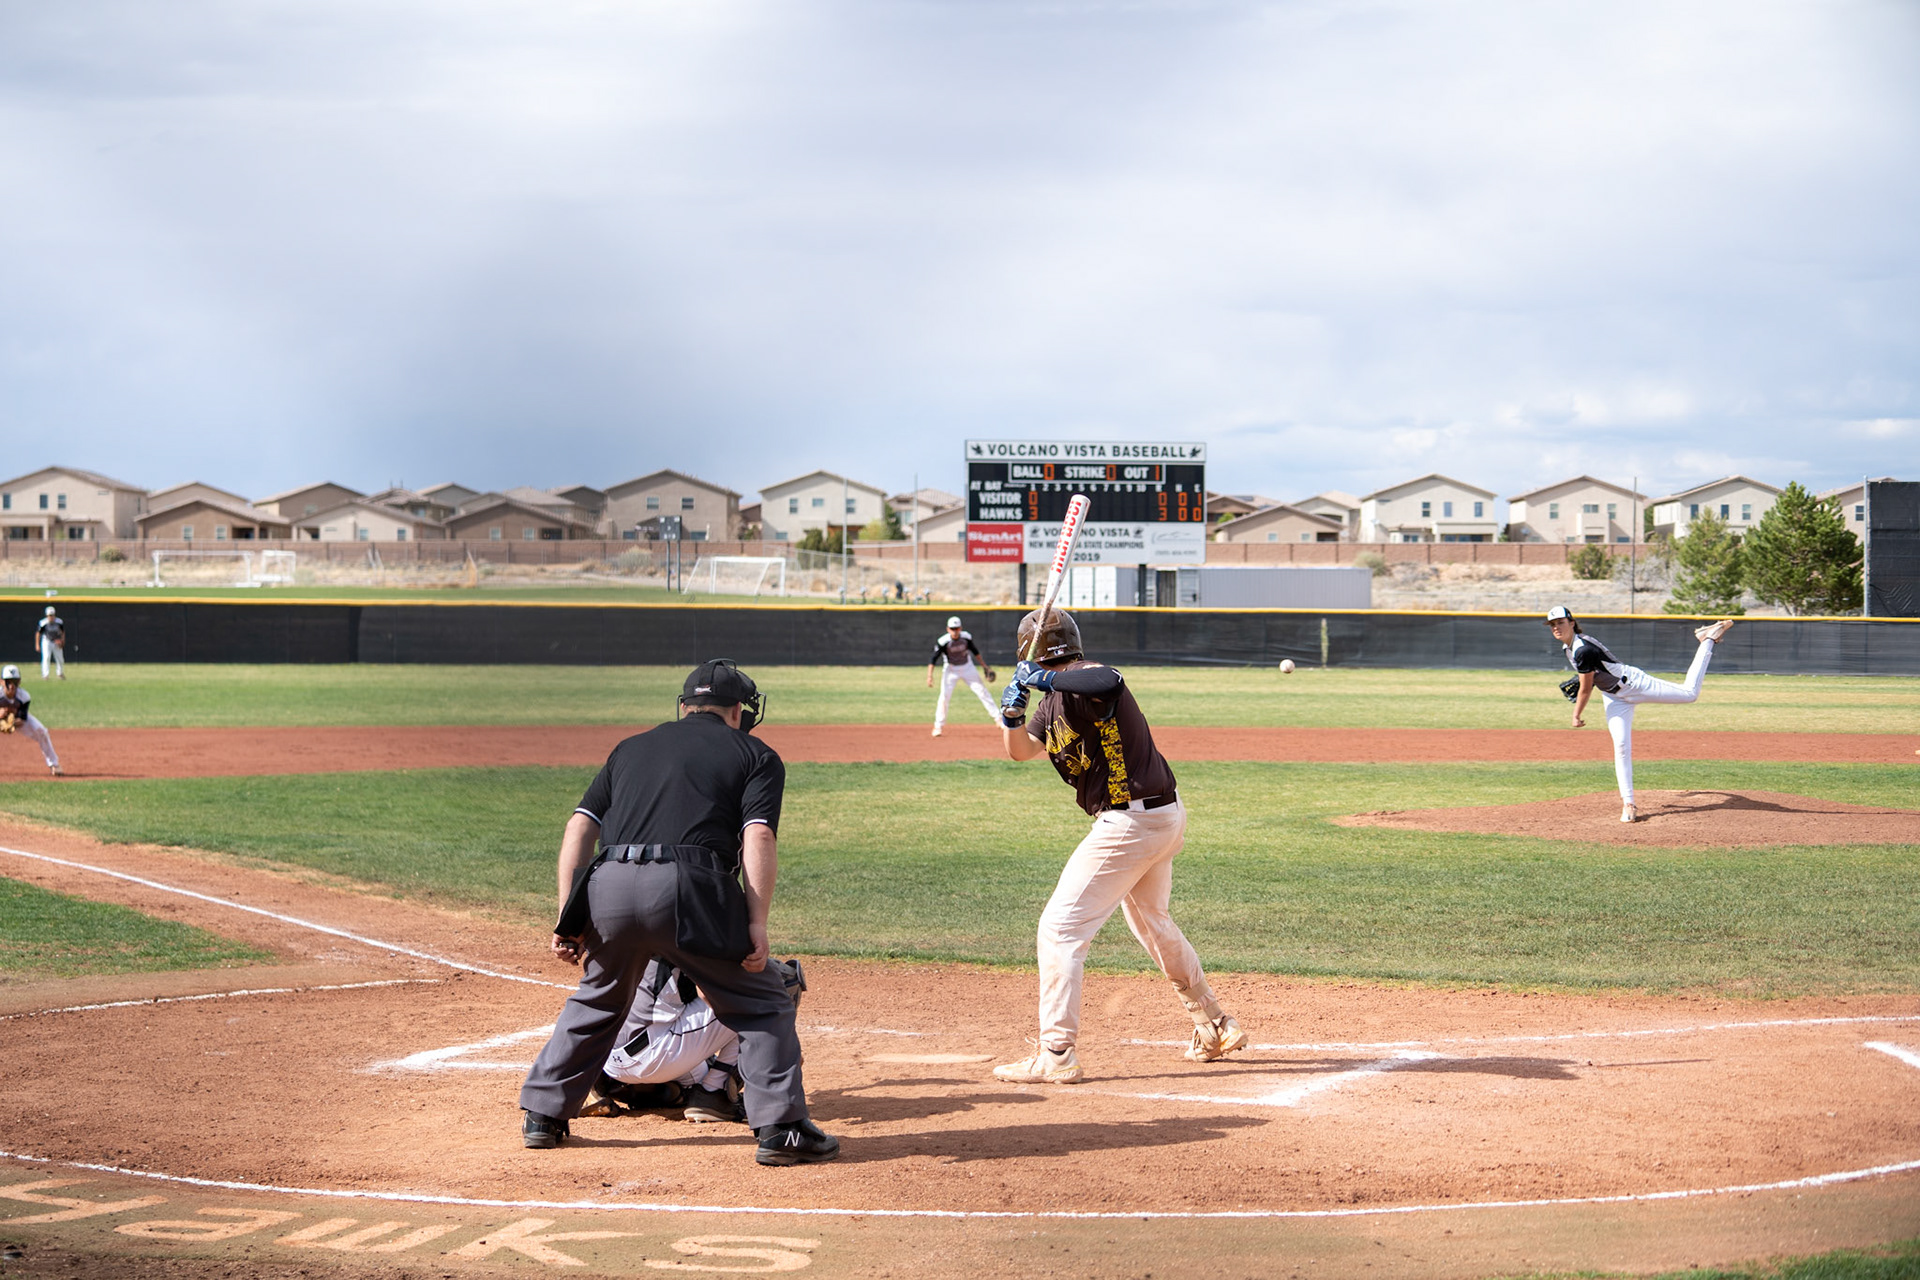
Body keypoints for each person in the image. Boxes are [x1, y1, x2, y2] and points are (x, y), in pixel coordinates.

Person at [518, 659, 838, 1166]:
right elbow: (757, 835)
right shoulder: (755, 753)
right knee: (763, 1001)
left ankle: (543, 1115)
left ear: (685, 706)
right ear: (738, 711)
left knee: (599, 998)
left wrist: (568, 915)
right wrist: (756, 922)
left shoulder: (630, 747)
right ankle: (781, 1128)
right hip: (689, 885)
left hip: (608, 883)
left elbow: (580, 828)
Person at [991, 607, 1245, 1084]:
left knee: (1060, 929)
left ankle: (1056, 1053)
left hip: (1131, 821)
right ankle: (1212, 1022)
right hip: (1154, 818)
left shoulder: (1088, 677)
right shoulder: (1051, 701)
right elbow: (1021, 751)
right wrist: (1011, 715)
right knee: (1152, 923)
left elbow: (1108, 680)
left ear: (1029, 652)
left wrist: (1042, 678)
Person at [1548, 605, 1735, 823]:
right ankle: (1629, 804)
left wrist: (1576, 714)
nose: (1556, 627)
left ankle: (1708, 639)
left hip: (1635, 684)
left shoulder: (1582, 649)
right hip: (1614, 697)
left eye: (1560, 622)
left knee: (1690, 694)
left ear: (1572, 623)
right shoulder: (1569, 648)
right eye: (1552, 624)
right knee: (1621, 745)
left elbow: (1586, 688)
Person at [581, 956, 807, 1126]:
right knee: (770, 986)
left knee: (699, 1073)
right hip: (656, 1054)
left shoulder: (625, 921)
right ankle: (715, 1093)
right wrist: (780, 1044)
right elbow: (711, 993)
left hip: (608, 1056)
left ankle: (624, 1085)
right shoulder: (685, 926)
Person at [926, 615, 998, 737]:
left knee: (982, 692)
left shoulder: (966, 637)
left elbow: (975, 652)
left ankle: (999, 719)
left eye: (957, 628)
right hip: (951, 670)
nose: (955, 631)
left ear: (960, 628)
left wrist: (984, 666)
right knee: (944, 697)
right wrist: (929, 676)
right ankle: (938, 726)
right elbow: (933, 659)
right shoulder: (943, 641)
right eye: (952, 629)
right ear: (948, 629)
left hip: (967, 667)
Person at [0, 665, 60, 776]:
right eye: (8, 681)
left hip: (16, 720)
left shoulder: (24, 696)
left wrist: (11, 725)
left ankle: (54, 764)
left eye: (15, 681)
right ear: (2, 682)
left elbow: (22, 719)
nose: (12, 685)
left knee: (42, 732)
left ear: (19, 681)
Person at [35, 608, 65, 680]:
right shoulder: (43, 622)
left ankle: (60, 673)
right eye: (49, 615)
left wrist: (62, 641)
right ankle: (45, 675)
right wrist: (37, 644)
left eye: (52, 615)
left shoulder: (59, 622)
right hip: (47, 641)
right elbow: (38, 633)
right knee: (46, 657)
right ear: (46, 615)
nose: (51, 617)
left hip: (56, 641)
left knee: (60, 658)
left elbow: (62, 632)